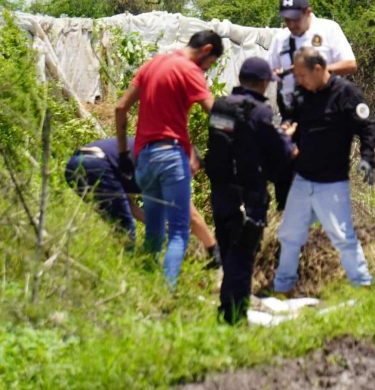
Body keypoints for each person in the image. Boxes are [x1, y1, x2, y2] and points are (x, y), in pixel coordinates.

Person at [114, 30, 222, 288]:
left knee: (153, 230)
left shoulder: (152, 64)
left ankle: (146, 289)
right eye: (211, 64)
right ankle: (166, 291)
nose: (206, 71)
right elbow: (215, 113)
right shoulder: (189, 70)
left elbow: (120, 108)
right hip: (170, 156)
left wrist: (122, 154)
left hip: (144, 158)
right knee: (178, 232)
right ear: (206, 50)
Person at [272, 47, 375, 295]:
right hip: (303, 178)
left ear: (318, 69)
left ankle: (362, 286)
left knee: (342, 236)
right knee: (289, 234)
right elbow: (291, 120)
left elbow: (367, 126)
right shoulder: (302, 94)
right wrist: (287, 131)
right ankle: (283, 286)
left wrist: (368, 158)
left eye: (302, 75)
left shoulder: (346, 93)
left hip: (332, 181)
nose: (298, 80)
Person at [206, 56, 295, 324]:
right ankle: (235, 317)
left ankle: (226, 309)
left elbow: (231, 141)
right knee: (242, 257)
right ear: (262, 82)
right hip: (248, 196)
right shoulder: (259, 111)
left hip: (221, 193)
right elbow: (277, 150)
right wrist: (287, 140)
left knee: (228, 251)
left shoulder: (220, 106)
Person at [65, 137, 222, 266]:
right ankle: (128, 272)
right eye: (192, 169)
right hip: (96, 164)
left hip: (75, 167)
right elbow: (191, 216)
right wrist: (213, 248)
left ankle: (110, 265)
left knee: (118, 224)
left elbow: (129, 206)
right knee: (125, 230)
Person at [267, 0, 357, 211]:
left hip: (323, 112)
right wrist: (277, 74)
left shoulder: (328, 30)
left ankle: (323, 229)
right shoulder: (280, 39)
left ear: (308, 12)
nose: (290, 24)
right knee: (285, 169)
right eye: (286, 19)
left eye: (295, 19)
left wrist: (317, 71)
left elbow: (350, 64)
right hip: (291, 113)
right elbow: (269, 72)